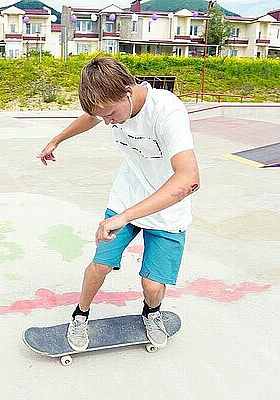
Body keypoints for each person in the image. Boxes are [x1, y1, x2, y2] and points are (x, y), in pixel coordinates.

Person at [37, 56, 199, 351]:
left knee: (152, 286)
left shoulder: (166, 111)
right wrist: (57, 140)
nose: (108, 121)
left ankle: (152, 312)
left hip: (167, 206)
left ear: (128, 90)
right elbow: (92, 116)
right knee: (100, 264)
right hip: (127, 195)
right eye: (103, 117)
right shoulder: (109, 106)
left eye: (111, 114)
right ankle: (80, 314)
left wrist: (124, 217)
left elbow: (189, 178)